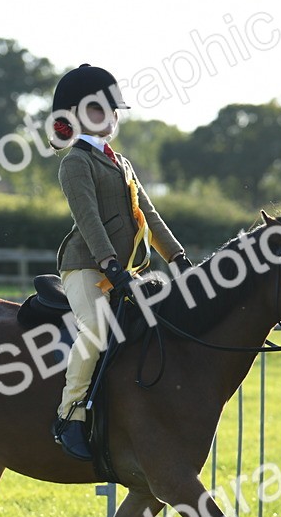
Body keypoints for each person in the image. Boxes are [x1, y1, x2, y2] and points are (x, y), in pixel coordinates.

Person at [48, 64, 193, 461]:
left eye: (114, 110)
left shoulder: (121, 163)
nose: (111, 117)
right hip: (86, 267)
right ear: (75, 114)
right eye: (99, 109)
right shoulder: (75, 162)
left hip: (123, 271)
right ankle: (69, 414)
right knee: (97, 328)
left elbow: (149, 215)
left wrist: (177, 257)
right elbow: (88, 219)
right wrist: (109, 262)